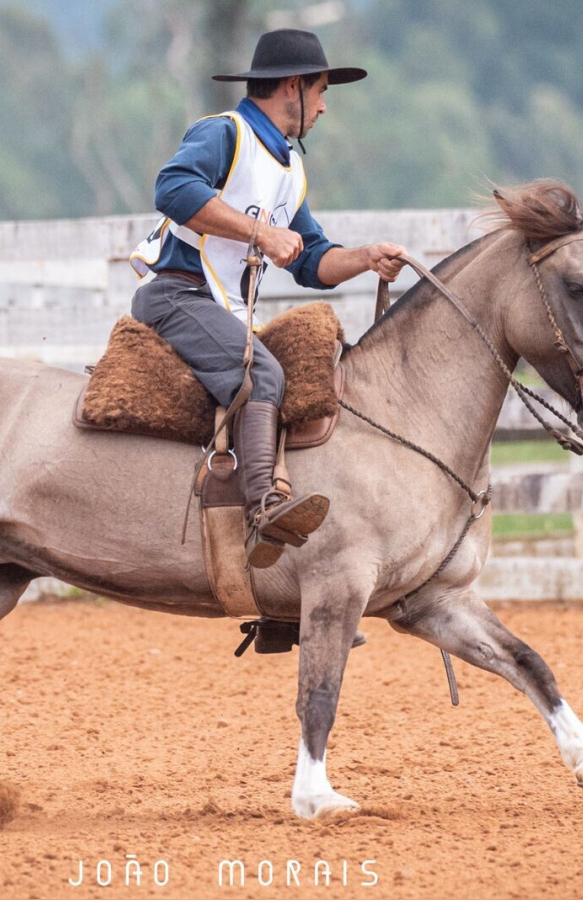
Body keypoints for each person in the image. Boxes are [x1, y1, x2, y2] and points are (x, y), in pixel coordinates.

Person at [129, 28, 406, 569]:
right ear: (294, 87)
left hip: (209, 307)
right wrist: (260, 234)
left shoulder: (289, 169)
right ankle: (263, 512)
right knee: (265, 376)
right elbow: (173, 188)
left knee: (289, 376)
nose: (324, 107)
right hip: (173, 296)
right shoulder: (224, 133)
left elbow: (311, 259)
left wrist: (365, 257)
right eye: (321, 91)